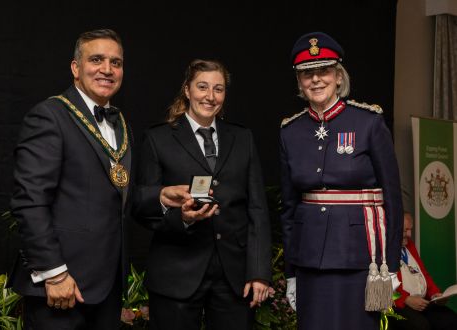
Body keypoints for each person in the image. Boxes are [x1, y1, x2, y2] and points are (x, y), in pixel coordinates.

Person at [133, 59, 272, 329]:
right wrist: (182, 218)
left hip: (234, 277)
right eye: (202, 87)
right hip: (176, 273)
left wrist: (259, 272)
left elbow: (257, 209)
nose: (210, 96)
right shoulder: (158, 138)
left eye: (218, 89)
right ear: (187, 90)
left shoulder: (242, 138)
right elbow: (141, 205)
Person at [279, 32, 404, 330]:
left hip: (360, 259)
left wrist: (393, 265)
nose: (316, 80)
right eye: (307, 74)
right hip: (309, 259)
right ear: (299, 82)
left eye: (323, 71)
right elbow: (288, 208)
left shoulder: (369, 123)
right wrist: (291, 272)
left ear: (338, 76)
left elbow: (393, 199)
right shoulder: (290, 131)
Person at [9, 29, 132, 329]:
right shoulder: (49, 115)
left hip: (106, 288)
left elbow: (113, 195)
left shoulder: (118, 123)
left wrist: (163, 198)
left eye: (116, 62)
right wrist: (54, 273)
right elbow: (30, 201)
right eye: (97, 59)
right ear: (76, 68)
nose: (107, 69)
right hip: (61, 287)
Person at [390, 212, 457, 330]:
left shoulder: (409, 245)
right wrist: (406, 299)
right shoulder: (384, 250)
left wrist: (435, 294)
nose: (410, 235)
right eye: (405, 231)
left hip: (422, 302)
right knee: (421, 326)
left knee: (450, 319)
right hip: (399, 305)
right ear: (394, 229)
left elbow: (423, 273)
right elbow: (381, 287)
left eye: (410, 230)